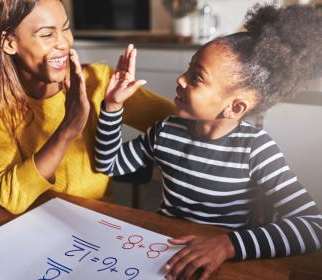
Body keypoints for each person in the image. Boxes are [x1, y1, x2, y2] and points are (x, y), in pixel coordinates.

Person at [94, 3, 322, 280]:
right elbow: (109, 164)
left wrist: (227, 245)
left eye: (196, 78)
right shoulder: (166, 131)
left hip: (223, 259)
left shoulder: (255, 149)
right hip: (164, 249)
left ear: (235, 107)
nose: (180, 79)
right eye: (188, 69)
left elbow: (313, 226)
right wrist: (113, 106)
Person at [0, 0, 174, 214]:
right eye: (47, 34)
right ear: (8, 42)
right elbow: (9, 197)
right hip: (34, 219)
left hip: (96, 217)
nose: (64, 43)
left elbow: (183, 123)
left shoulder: (99, 81)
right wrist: (67, 130)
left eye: (66, 28)